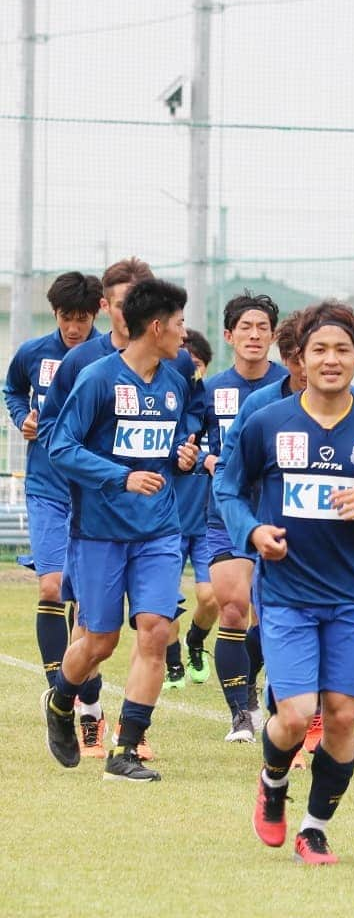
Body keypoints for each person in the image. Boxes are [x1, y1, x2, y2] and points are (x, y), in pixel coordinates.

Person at [214, 300, 354, 864]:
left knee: (344, 716)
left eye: (342, 350)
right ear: (299, 359)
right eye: (319, 350)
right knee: (297, 715)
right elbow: (227, 489)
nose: (331, 360)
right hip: (286, 595)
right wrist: (252, 532)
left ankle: (314, 827)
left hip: (352, 597)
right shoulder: (267, 423)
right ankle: (272, 784)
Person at [37, 256, 203, 760]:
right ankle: (61, 702)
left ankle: (126, 749)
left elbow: (168, 452)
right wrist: (121, 476)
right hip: (100, 532)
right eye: (178, 324)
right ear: (156, 326)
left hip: (158, 531)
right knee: (100, 641)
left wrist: (183, 458)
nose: (183, 332)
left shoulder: (175, 381)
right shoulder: (96, 378)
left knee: (156, 630)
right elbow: (61, 447)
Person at [3, 272, 102, 694]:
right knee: (50, 586)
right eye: (66, 317)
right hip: (46, 486)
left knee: (82, 599)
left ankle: (77, 687)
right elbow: (12, 390)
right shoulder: (33, 353)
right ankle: (55, 689)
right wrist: (22, 416)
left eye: (82, 317)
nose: (74, 327)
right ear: (55, 314)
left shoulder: (108, 357)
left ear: (97, 313)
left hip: (93, 491)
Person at [203, 291, 287, 743]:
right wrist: (199, 456)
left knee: (265, 615)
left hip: (277, 515)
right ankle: (241, 714)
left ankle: (255, 687)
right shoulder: (210, 391)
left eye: (263, 328)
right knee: (233, 607)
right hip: (223, 514)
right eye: (246, 328)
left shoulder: (291, 387)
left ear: (274, 336)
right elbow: (188, 439)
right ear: (229, 335)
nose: (254, 335)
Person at [163, 329, 217, 689]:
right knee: (163, 603)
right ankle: (172, 663)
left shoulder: (212, 408)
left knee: (212, 597)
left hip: (209, 522)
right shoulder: (167, 410)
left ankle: (196, 641)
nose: (190, 373)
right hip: (170, 521)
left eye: (196, 366)